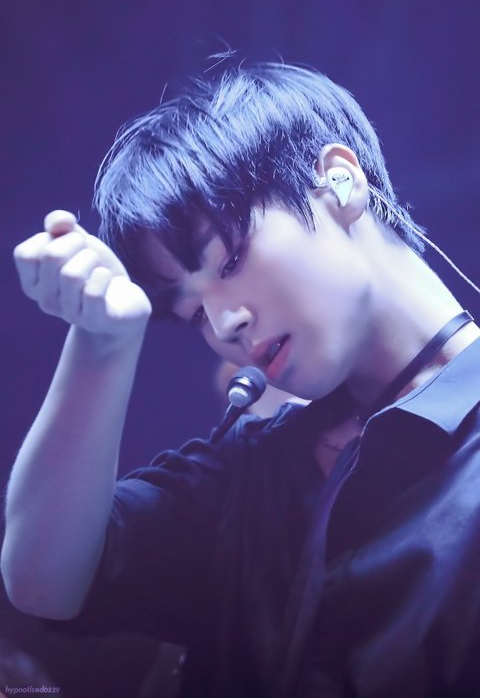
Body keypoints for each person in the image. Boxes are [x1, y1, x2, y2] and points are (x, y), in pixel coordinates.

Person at [2, 60, 480, 697]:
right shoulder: (254, 468)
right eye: (194, 312)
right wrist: (100, 342)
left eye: (229, 260)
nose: (225, 323)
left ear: (340, 181)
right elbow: (43, 584)